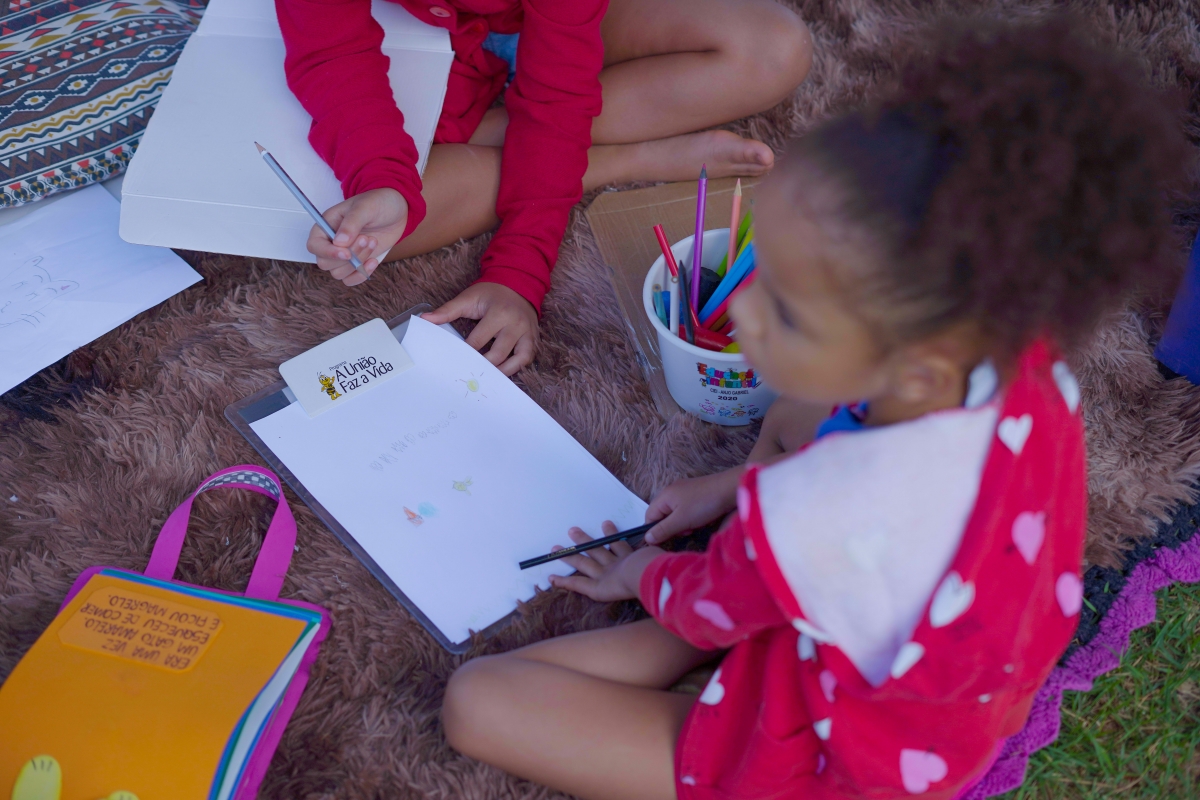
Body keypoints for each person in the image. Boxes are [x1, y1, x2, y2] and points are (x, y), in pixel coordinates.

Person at [439, 16, 1187, 800]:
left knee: (479, 700)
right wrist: (728, 491)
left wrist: (643, 571)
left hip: (837, 759)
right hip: (932, 652)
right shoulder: (1021, 358)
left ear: (915, 362)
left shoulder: (813, 512)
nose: (745, 315)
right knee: (794, 419)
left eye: (789, 313)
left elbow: (714, 601)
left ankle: (721, 646)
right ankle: (739, 610)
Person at [276, 0, 813, 375]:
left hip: (572, 25)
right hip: (418, 44)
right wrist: (381, 177)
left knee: (773, 49)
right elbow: (333, 56)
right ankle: (620, 159)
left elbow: (558, 101)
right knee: (361, 227)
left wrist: (519, 270)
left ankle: (523, 147)